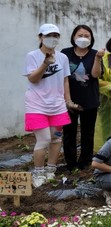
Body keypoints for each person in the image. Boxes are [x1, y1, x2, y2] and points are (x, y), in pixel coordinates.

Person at [24, 24, 74, 188]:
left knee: (56, 138)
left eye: (56, 35)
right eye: (48, 35)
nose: (53, 38)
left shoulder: (63, 58)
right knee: (43, 139)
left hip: (57, 106)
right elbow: (32, 79)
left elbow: (65, 80)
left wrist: (68, 100)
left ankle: (51, 170)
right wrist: (45, 63)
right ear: (41, 37)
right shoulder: (32, 56)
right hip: (36, 104)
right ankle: (38, 172)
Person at [61, 25, 102, 171]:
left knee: (87, 133)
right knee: (69, 133)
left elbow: (95, 75)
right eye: (80, 35)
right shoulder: (65, 53)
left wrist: (97, 59)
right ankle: (70, 163)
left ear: (91, 39)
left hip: (90, 100)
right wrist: (66, 100)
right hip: (69, 100)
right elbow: (61, 75)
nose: (83, 38)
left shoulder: (96, 54)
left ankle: (85, 161)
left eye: (87, 36)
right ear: (73, 37)